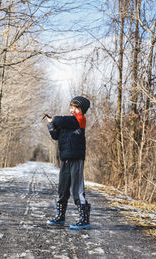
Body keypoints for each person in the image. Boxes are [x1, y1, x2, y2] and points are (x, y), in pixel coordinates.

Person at [46, 96, 91, 229]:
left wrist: (55, 119)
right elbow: (56, 135)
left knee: (77, 188)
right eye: (71, 107)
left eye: (76, 108)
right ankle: (60, 216)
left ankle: (84, 219)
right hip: (65, 159)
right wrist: (51, 125)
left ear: (82, 110)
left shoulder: (79, 119)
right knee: (63, 188)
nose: (73, 110)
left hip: (76, 158)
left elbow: (61, 120)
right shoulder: (67, 123)